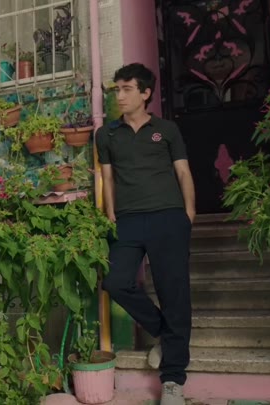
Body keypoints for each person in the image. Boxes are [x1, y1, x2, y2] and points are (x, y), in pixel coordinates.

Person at [96, 63, 195, 405]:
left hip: (168, 216)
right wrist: (111, 214)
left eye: (126, 89)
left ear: (145, 93)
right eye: (117, 90)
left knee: (174, 293)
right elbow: (108, 178)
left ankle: (173, 381)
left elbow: (183, 172)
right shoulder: (106, 134)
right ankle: (165, 333)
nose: (120, 96)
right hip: (127, 220)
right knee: (115, 282)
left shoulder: (166, 130)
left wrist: (189, 214)